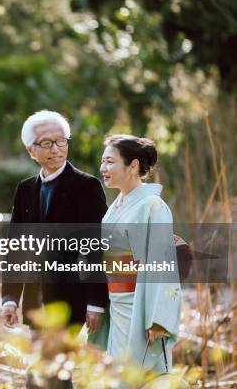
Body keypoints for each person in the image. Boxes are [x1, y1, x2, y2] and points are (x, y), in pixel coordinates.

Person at [1, 110, 109, 335]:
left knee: (62, 366)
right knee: (41, 366)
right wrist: (10, 298)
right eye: (47, 143)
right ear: (31, 150)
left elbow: (96, 246)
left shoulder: (87, 186)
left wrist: (95, 301)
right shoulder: (25, 189)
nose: (56, 148)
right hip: (35, 302)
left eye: (61, 141)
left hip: (73, 302)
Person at [90, 134, 182, 375]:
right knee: (116, 375)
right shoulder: (117, 205)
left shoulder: (152, 206)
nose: (103, 168)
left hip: (139, 308)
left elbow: (161, 263)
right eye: (103, 161)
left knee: (140, 377)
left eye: (110, 162)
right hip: (117, 304)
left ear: (133, 165)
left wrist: (158, 319)